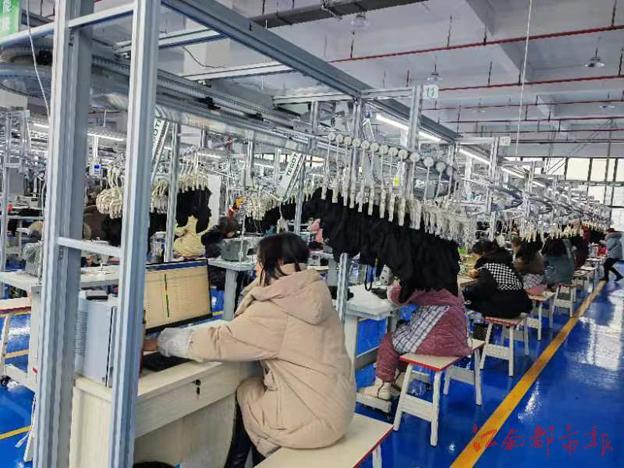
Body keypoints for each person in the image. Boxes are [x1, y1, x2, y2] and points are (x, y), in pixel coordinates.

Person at [148, 233, 355, 466]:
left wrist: (161, 341)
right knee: (255, 382)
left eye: (259, 261)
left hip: (311, 421)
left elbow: (219, 342)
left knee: (245, 390)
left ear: (277, 263)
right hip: (338, 408)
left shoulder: (276, 308)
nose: (256, 268)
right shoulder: (312, 293)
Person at [360, 281, 470, 401]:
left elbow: (399, 296)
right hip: (457, 339)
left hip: (439, 338)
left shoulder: (422, 273)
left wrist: (390, 289)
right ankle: (400, 378)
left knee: (390, 341)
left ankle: (381, 388)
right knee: (403, 330)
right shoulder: (446, 275)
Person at [463, 240, 532, 319]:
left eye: (475, 257)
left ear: (483, 254)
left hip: (506, 308)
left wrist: (465, 293)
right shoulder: (506, 264)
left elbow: (483, 289)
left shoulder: (489, 266)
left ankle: (476, 324)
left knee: (468, 302)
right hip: (518, 305)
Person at [201, 217, 239, 290]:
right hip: (215, 271)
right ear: (226, 230)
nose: (234, 233)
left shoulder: (227, 237)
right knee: (234, 278)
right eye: (232, 231)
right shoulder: (214, 239)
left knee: (243, 277)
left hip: (224, 268)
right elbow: (218, 255)